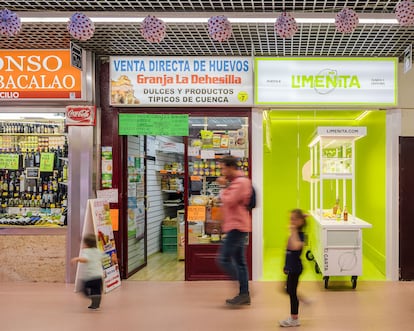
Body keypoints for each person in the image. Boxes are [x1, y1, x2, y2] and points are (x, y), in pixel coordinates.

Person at [216, 155, 252, 306]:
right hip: (236, 226)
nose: (222, 171)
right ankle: (244, 294)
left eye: (223, 168)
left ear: (231, 167)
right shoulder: (236, 182)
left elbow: (229, 201)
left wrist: (223, 188)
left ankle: (243, 289)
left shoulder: (241, 182)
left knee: (223, 259)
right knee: (240, 262)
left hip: (237, 227)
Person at [279, 209, 307, 327]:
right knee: (288, 290)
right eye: (290, 219)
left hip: (296, 268)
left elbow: (295, 246)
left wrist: (294, 230)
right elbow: (288, 250)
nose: (291, 221)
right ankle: (303, 300)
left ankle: (294, 319)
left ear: (300, 222)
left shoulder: (302, 236)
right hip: (291, 267)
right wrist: (285, 266)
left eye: (294, 219)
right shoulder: (294, 233)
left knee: (292, 292)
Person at [71, 233, 104, 310]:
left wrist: (76, 259)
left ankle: (92, 297)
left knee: (84, 289)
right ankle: (95, 303)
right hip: (98, 276)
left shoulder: (86, 251)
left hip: (89, 276)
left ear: (86, 244)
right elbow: (103, 256)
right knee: (97, 290)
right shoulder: (98, 251)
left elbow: (85, 259)